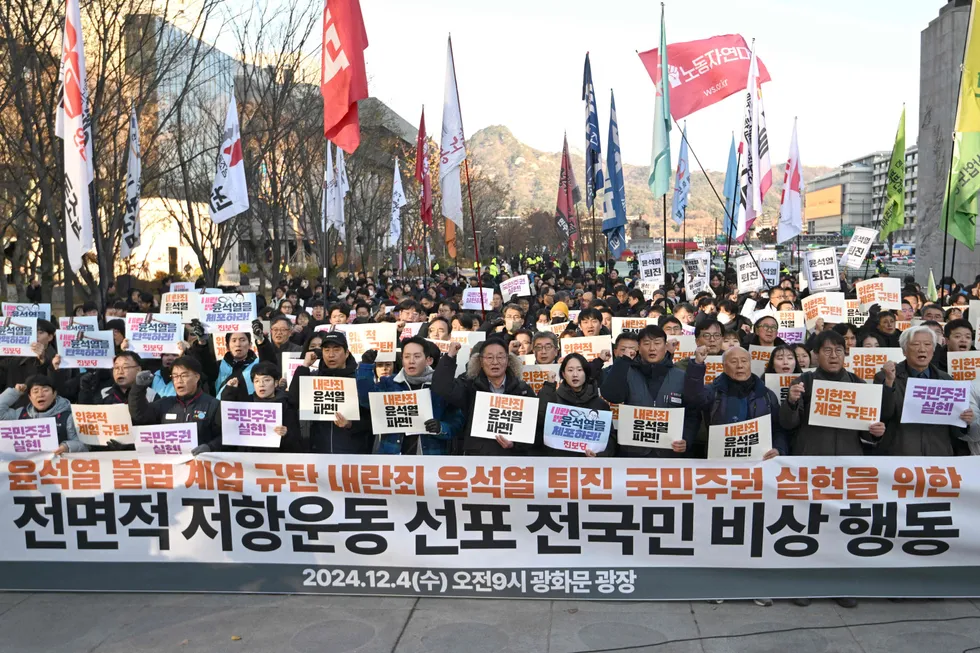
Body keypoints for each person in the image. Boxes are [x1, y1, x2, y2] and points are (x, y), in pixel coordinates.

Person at [779, 330, 891, 457]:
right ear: (816, 354)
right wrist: (791, 403)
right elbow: (787, 424)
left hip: (847, 461)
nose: (833, 355)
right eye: (827, 351)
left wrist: (875, 432)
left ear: (845, 353)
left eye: (838, 350)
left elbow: (865, 431)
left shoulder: (857, 383)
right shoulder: (804, 382)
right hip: (811, 461)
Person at [873, 326, 974, 456]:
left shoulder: (945, 379)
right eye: (915, 344)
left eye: (927, 344)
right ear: (904, 351)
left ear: (933, 350)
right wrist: (889, 383)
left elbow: (955, 431)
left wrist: (963, 420)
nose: (922, 349)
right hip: (900, 454)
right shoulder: (885, 376)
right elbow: (883, 415)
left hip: (939, 453)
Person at [600, 325, 696, 457]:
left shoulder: (681, 376)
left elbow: (692, 413)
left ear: (665, 346)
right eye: (646, 343)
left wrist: (687, 439)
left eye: (657, 343)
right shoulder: (626, 372)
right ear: (638, 348)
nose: (652, 348)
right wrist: (623, 362)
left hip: (670, 454)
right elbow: (612, 395)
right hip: (633, 453)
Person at [357, 339, 463, 455]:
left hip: (430, 459)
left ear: (428, 360)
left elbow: (457, 422)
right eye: (406, 357)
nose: (411, 361)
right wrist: (366, 367)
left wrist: (441, 428)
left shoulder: (441, 387)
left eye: (417, 356)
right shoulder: (389, 383)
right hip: (392, 457)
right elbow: (366, 401)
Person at [431, 337, 535, 455]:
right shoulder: (469, 386)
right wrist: (450, 357)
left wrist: (515, 444)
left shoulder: (523, 390)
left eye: (500, 357)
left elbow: (533, 428)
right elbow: (441, 387)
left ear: (508, 360)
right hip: (477, 460)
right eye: (489, 357)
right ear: (480, 361)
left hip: (512, 461)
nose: (495, 362)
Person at [289, 331, 372, 454]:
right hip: (320, 452)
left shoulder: (359, 379)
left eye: (336, 350)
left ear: (347, 353)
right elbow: (293, 400)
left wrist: (351, 424)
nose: (331, 355)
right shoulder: (314, 378)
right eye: (326, 350)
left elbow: (371, 418)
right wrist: (304, 366)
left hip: (353, 453)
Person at [129, 357, 222, 454]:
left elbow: (225, 437)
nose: (179, 380)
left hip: (200, 464)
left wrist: (210, 447)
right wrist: (138, 388)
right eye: (175, 376)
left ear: (197, 377)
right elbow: (139, 415)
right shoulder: (165, 403)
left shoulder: (213, 405)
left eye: (184, 375)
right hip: (170, 465)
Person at [535, 353, 614, 457]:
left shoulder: (600, 405)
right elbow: (540, 421)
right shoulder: (553, 399)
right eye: (570, 370)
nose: (575, 374)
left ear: (586, 373)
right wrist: (549, 386)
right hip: (558, 464)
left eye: (579, 370)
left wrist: (599, 455)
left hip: (589, 466)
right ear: (563, 374)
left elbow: (610, 440)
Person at [220, 361, 302, 452]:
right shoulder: (246, 403)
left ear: (275, 383)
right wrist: (229, 391)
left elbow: (297, 442)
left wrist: (286, 434)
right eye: (257, 381)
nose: (261, 384)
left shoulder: (287, 405)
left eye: (266, 380)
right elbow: (228, 423)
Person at [0, 375, 86, 454]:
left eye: (45, 390)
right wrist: (15, 392)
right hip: (27, 468)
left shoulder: (68, 417)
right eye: (35, 391)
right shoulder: (21, 414)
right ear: (30, 397)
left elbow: (83, 445)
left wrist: (67, 447)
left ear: (54, 394)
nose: (40, 395)